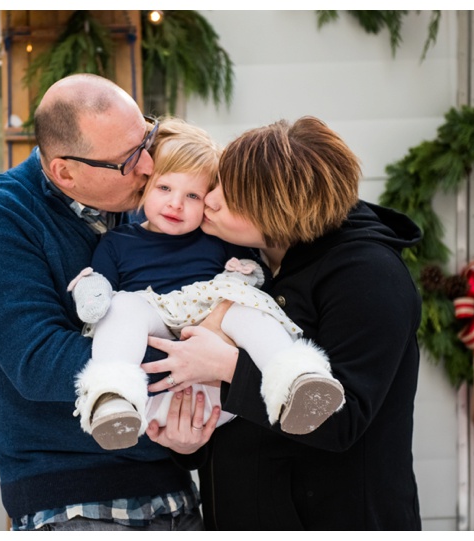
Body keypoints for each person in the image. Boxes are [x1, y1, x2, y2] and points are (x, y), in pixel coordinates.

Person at [0, 74, 203, 531]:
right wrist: (193, 364)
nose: (149, 165)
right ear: (65, 170)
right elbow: (38, 361)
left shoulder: (148, 201)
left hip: (173, 481)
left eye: (147, 137)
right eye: (128, 159)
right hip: (73, 499)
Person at [143, 116, 423, 530]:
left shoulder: (368, 275)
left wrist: (226, 366)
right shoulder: (242, 262)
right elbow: (240, 420)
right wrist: (189, 445)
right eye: (218, 183)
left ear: (280, 210)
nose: (211, 200)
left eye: (234, 196)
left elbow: (341, 421)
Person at [69, 118, 344, 451]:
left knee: (245, 308)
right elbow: (99, 288)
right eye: (165, 188)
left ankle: (296, 380)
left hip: (220, 393)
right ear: (146, 185)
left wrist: (244, 273)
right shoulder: (117, 242)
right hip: (156, 385)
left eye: (193, 195)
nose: (176, 204)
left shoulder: (214, 236)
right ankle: (112, 396)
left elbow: (258, 277)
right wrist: (91, 293)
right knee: (121, 308)